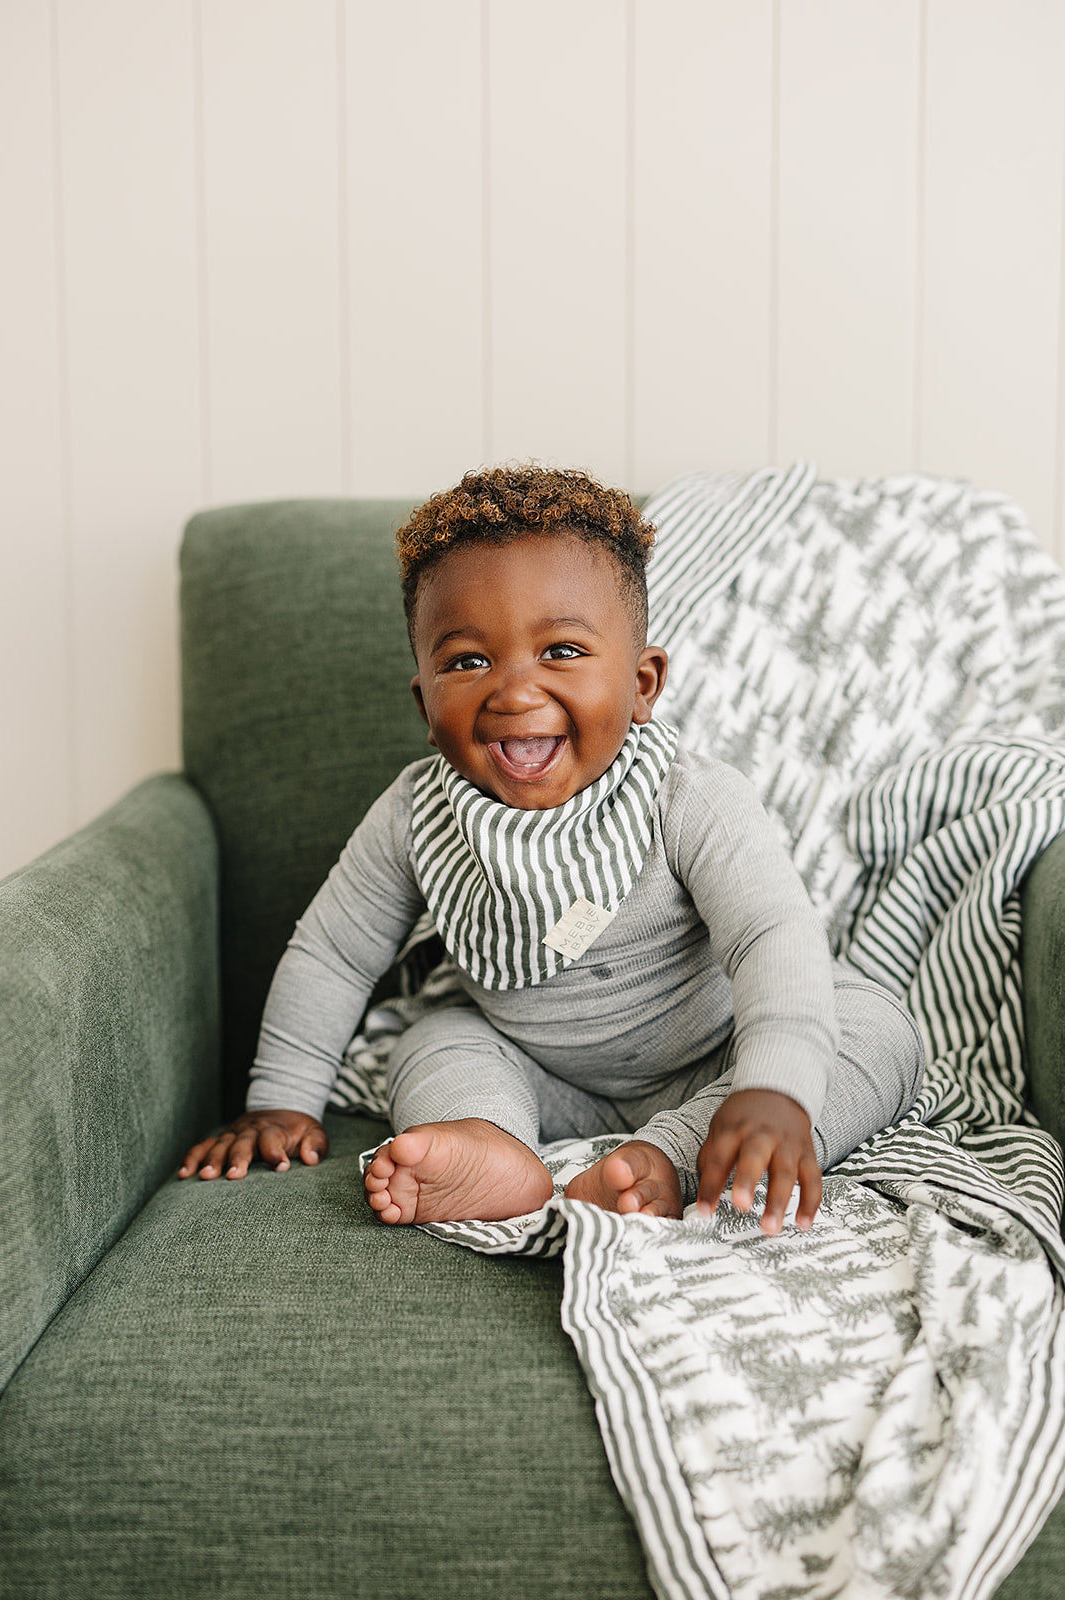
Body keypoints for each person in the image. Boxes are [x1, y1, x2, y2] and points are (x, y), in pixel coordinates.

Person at [179, 465, 924, 1233]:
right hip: (542, 1075)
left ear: (642, 684)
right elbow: (333, 955)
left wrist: (773, 1087)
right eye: (467, 661)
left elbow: (772, 937)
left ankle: (669, 1160)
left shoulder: (685, 796)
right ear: (424, 705)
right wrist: (279, 1100)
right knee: (435, 1039)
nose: (513, 691)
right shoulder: (415, 814)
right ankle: (489, 1143)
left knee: (875, 1030)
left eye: (561, 651)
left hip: (720, 1055)